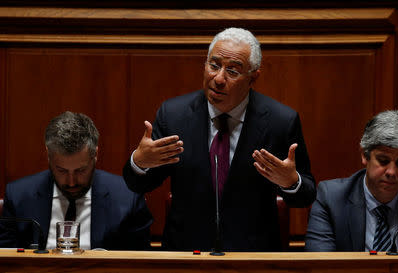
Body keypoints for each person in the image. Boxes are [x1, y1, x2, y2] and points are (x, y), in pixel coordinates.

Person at [123, 27, 316, 251]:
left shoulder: (280, 121)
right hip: (186, 255)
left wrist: (290, 182)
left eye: (233, 71)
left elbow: (306, 195)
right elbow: (138, 184)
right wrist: (140, 163)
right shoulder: (174, 115)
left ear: (253, 77)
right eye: (214, 65)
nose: (219, 78)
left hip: (253, 257)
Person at [0, 111, 153, 250]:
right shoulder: (18, 196)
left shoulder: (128, 198)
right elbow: (6, 261)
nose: (71, 182)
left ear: (95, 155)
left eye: (81, 170)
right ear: (48, 155)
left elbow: (139, 262)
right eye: (61, 170)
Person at [305, 110, 398, 252]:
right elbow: (319, 263)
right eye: (383, 161)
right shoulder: (331, 198)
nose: (391, 172)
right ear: (364, 155)